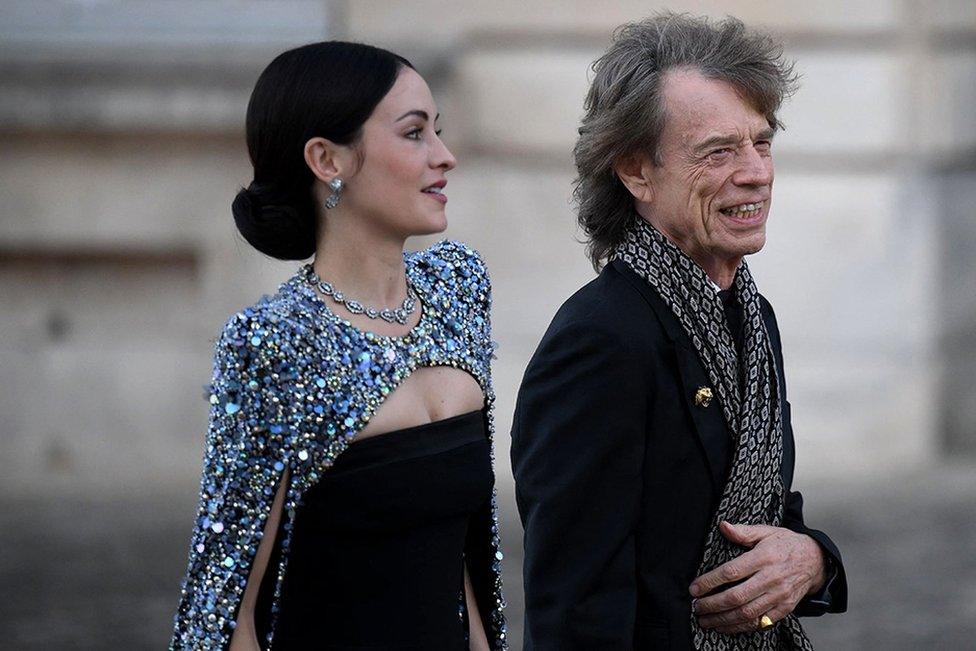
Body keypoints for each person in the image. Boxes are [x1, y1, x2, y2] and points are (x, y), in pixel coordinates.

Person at [511, 13, 847, 650]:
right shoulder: (600, 341)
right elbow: (575, 608)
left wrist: (812, 559)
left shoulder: (751, 314)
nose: (756, 172)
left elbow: (766, 514)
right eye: (718, 151)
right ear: (636, 172)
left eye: (762, 142)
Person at [170, 42, 507, 650]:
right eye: (414, 134)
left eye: (440, 131)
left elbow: (461, 561)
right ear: (327, 158)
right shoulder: (274, 341)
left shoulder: (459, 286)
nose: (445, 156)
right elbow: (226, 612)